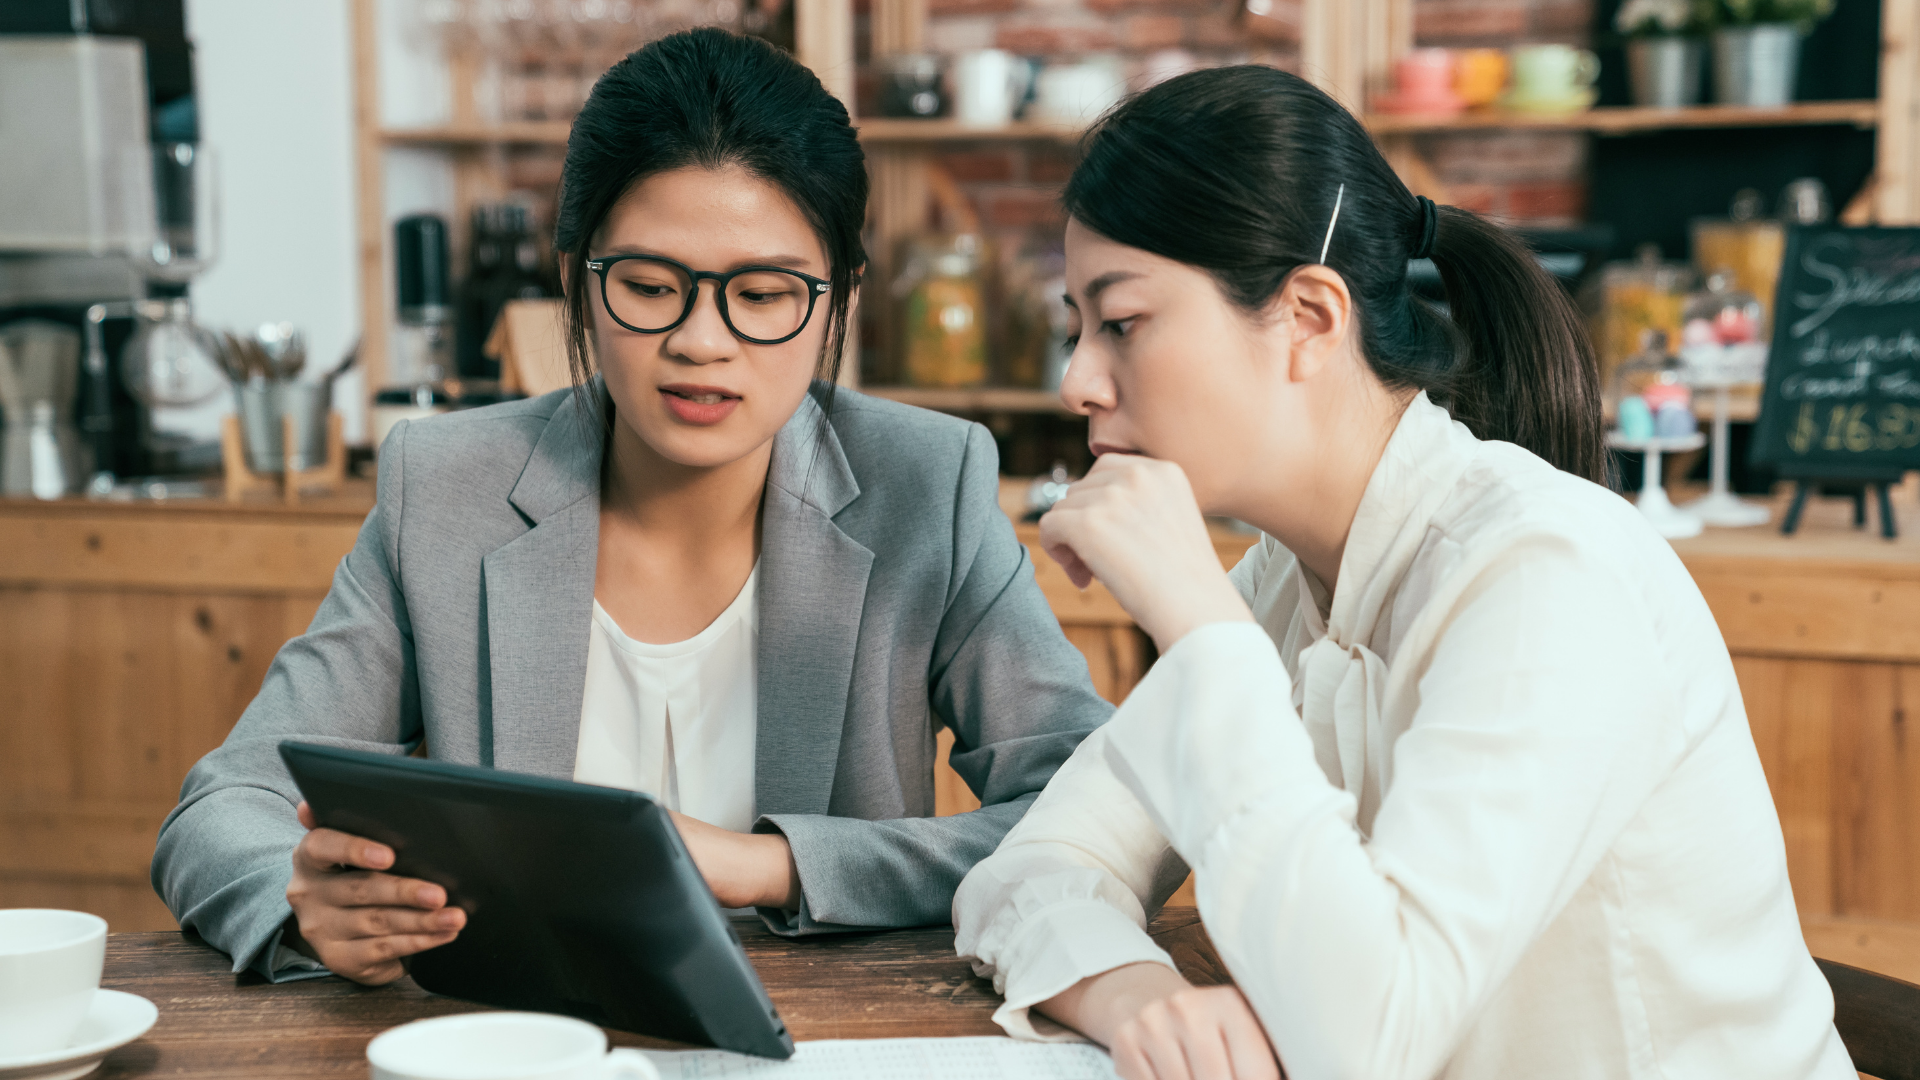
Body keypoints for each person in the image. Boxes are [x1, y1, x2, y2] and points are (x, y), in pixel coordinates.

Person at [153, 28, 1111, 987]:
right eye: (651, 287)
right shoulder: (444, 487)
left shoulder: (926, 485)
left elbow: (1093, 808)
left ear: (838, 302)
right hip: (526, 1041)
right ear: (576, 281)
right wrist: (300, 900)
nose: (701, 341)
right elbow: (226, 804)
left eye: (766, 294)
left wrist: (767, 865)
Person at [952, 65, 1853, 1080]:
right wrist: (1134, 994)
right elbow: (1031, 869)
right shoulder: (1285, 581)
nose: (1077, 379)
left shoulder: (1546, 572)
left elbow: (1370, 1037)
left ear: (1308, 318)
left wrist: (1200, 628)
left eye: (1121, 324)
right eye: (1078, 326)